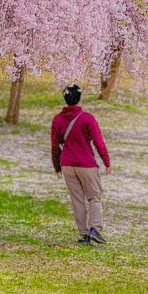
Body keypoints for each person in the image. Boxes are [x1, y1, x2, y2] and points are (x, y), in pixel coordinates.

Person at [51, 84, 111, 246]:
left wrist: (57, 167)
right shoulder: (87, 118)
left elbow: (55, 145)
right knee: (94, 197)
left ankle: (84, 234)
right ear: (79, 98)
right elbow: (98, 142)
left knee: (77, 199)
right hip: (86, 164)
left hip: (67, 165)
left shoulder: (58, 119)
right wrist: (106, 162)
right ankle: (95, 229)